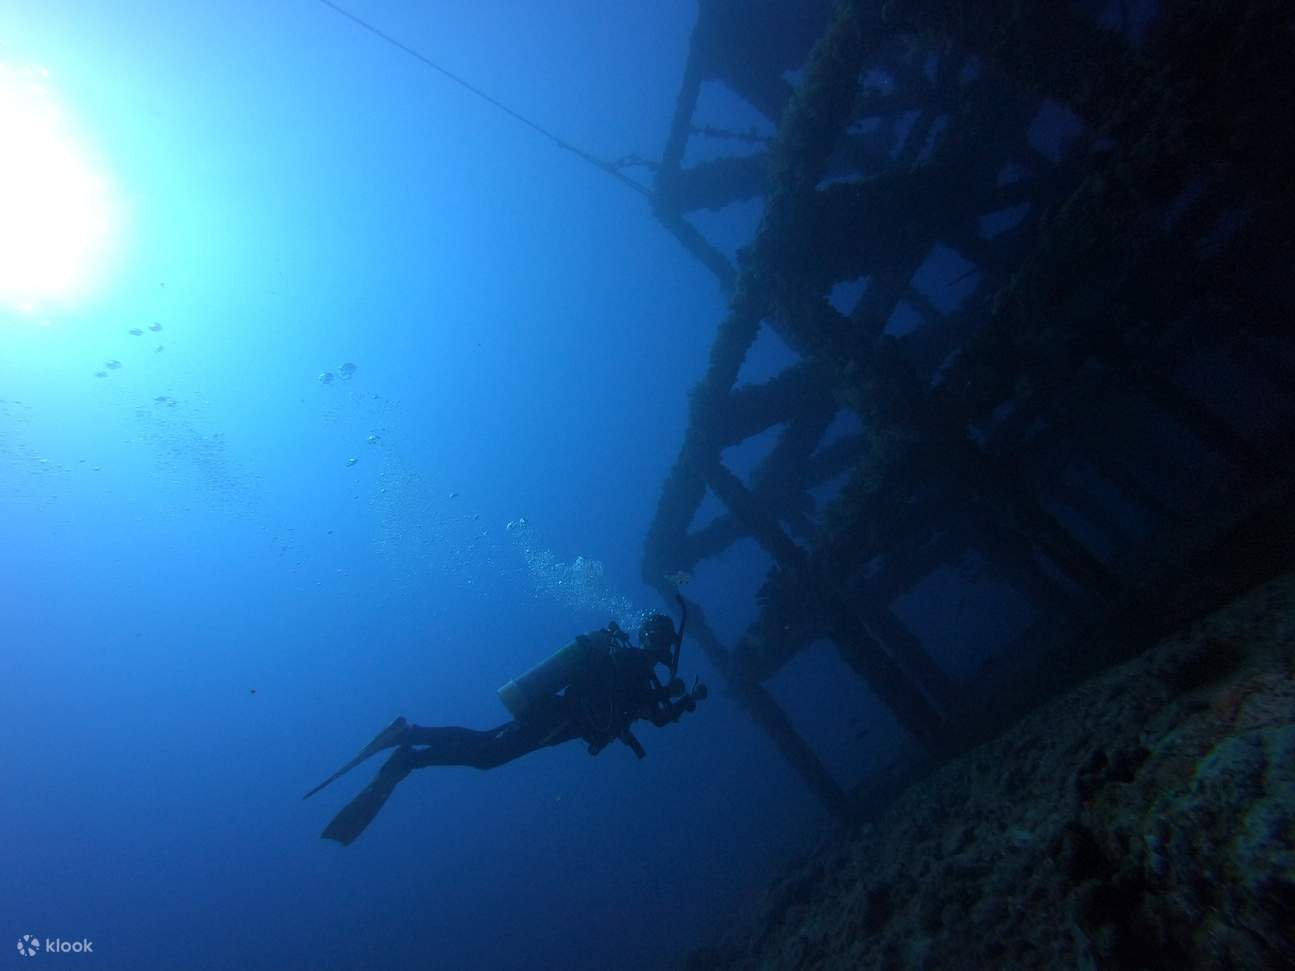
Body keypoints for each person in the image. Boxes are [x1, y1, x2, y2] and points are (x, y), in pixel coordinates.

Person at [305, 606, 707, 845]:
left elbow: (642, 709)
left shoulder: (633, 665)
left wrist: (674, 698)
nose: (664, 650)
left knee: (486, 745)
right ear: (663, 643)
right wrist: (681, 699)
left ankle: (410, 741)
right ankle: (409, 749)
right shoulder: (637, 666)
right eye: (665, 644)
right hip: (557, 720)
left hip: (553, 716)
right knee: (487, 755)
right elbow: (647, 713)